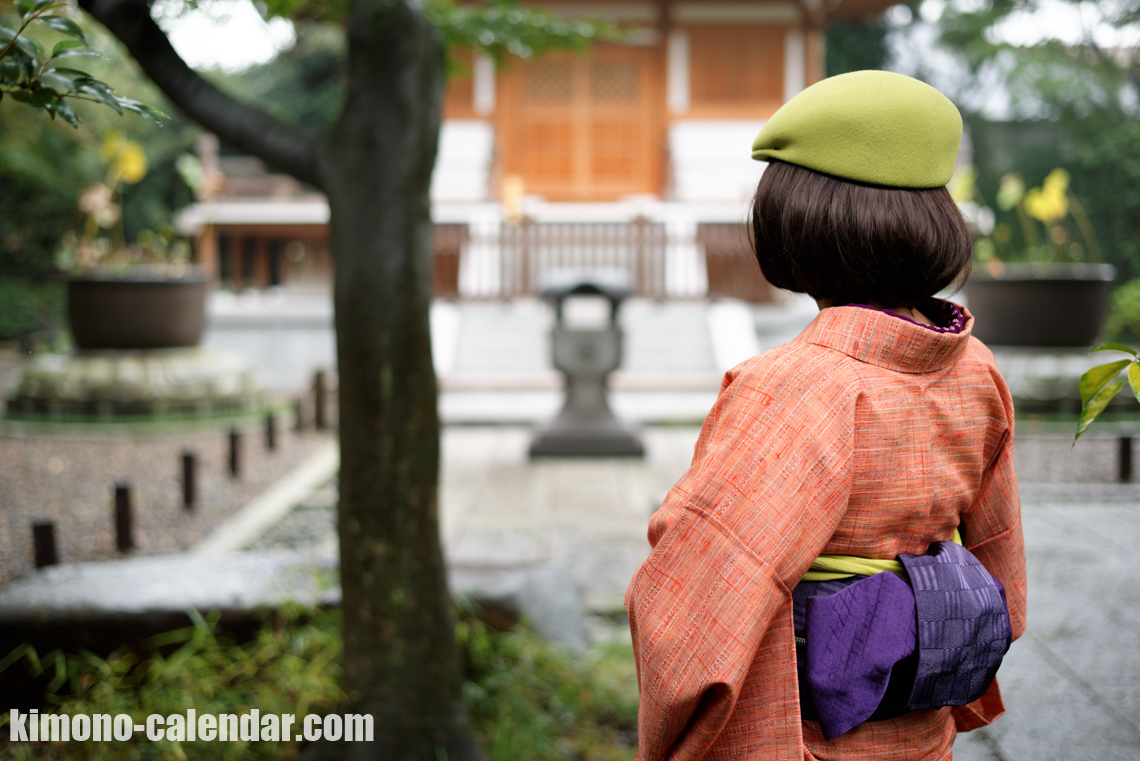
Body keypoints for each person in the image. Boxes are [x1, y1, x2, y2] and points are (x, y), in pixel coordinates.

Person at [624, 70, 1026, 761]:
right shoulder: (975, 369)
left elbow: (693, 611)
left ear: (798, 224)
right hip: (922, 739)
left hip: (810, 743)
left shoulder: (792, 386)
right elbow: (1002, 584)